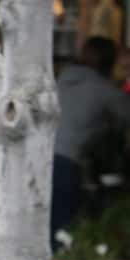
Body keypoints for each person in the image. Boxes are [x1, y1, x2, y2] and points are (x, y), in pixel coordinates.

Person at [52, 36, 130, 244]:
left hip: (43, 159)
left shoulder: (63, 80)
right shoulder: (103, 89)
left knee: (51, 225)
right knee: (66, 227)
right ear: (109, 61)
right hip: (68, 162)